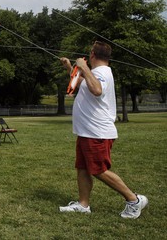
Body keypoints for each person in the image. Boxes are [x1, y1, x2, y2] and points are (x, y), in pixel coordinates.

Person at [59, 41, 148, 219]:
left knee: (98, 170)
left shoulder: (102, 73)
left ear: (92, 54)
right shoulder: (96, 73)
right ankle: (83, 205)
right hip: (87, 131)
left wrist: (83, 67)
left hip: (96, 132)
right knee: (83, 168)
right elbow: (83, 82)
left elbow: (97, 89)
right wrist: (70, 68)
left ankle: (134, 199)